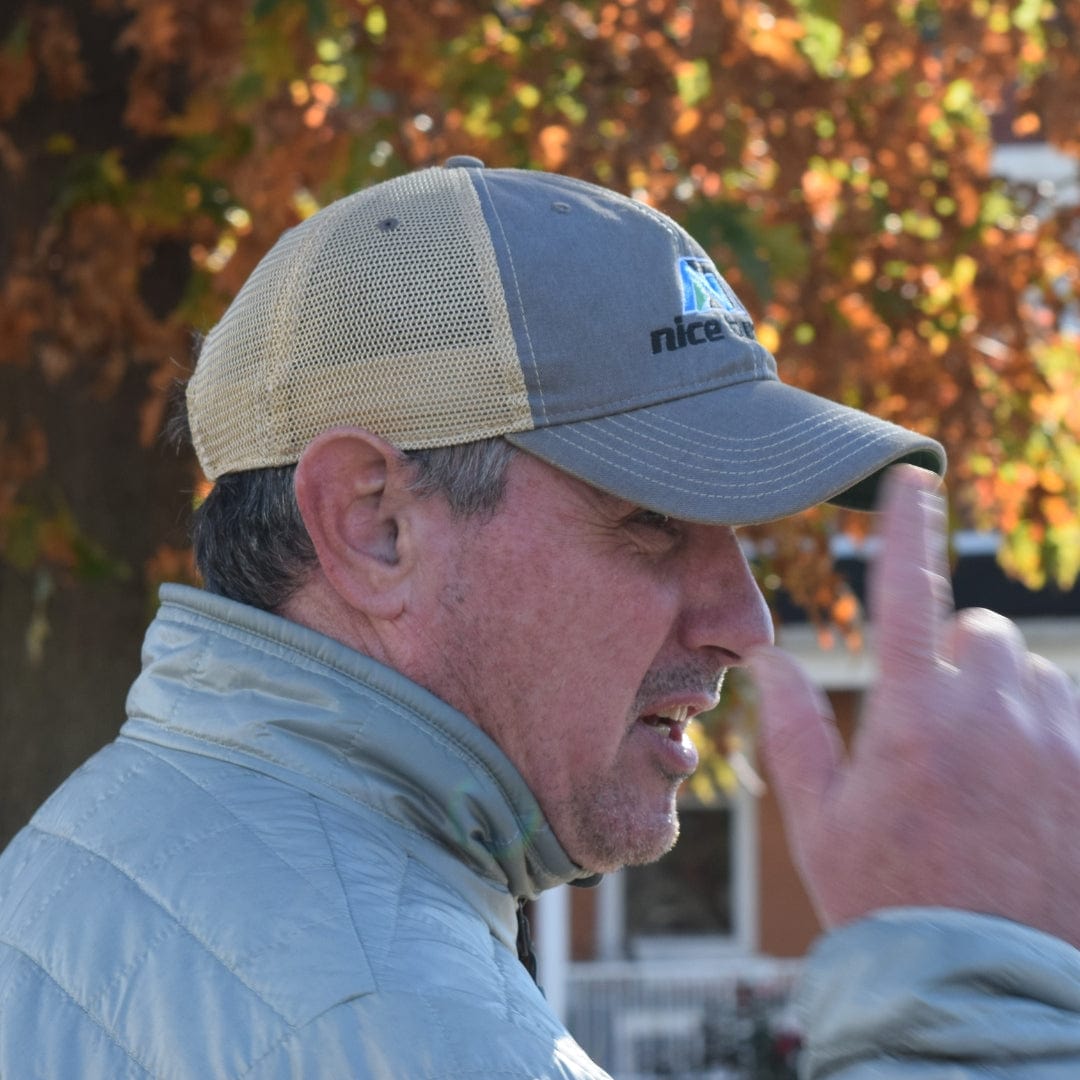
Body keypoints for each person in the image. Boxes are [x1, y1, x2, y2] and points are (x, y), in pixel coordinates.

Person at [0, 156, 1078, 1079]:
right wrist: (976, 999)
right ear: (374, 524)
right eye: (653, 520)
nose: (743, 619)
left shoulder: (93, 862)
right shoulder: (388, 1015)